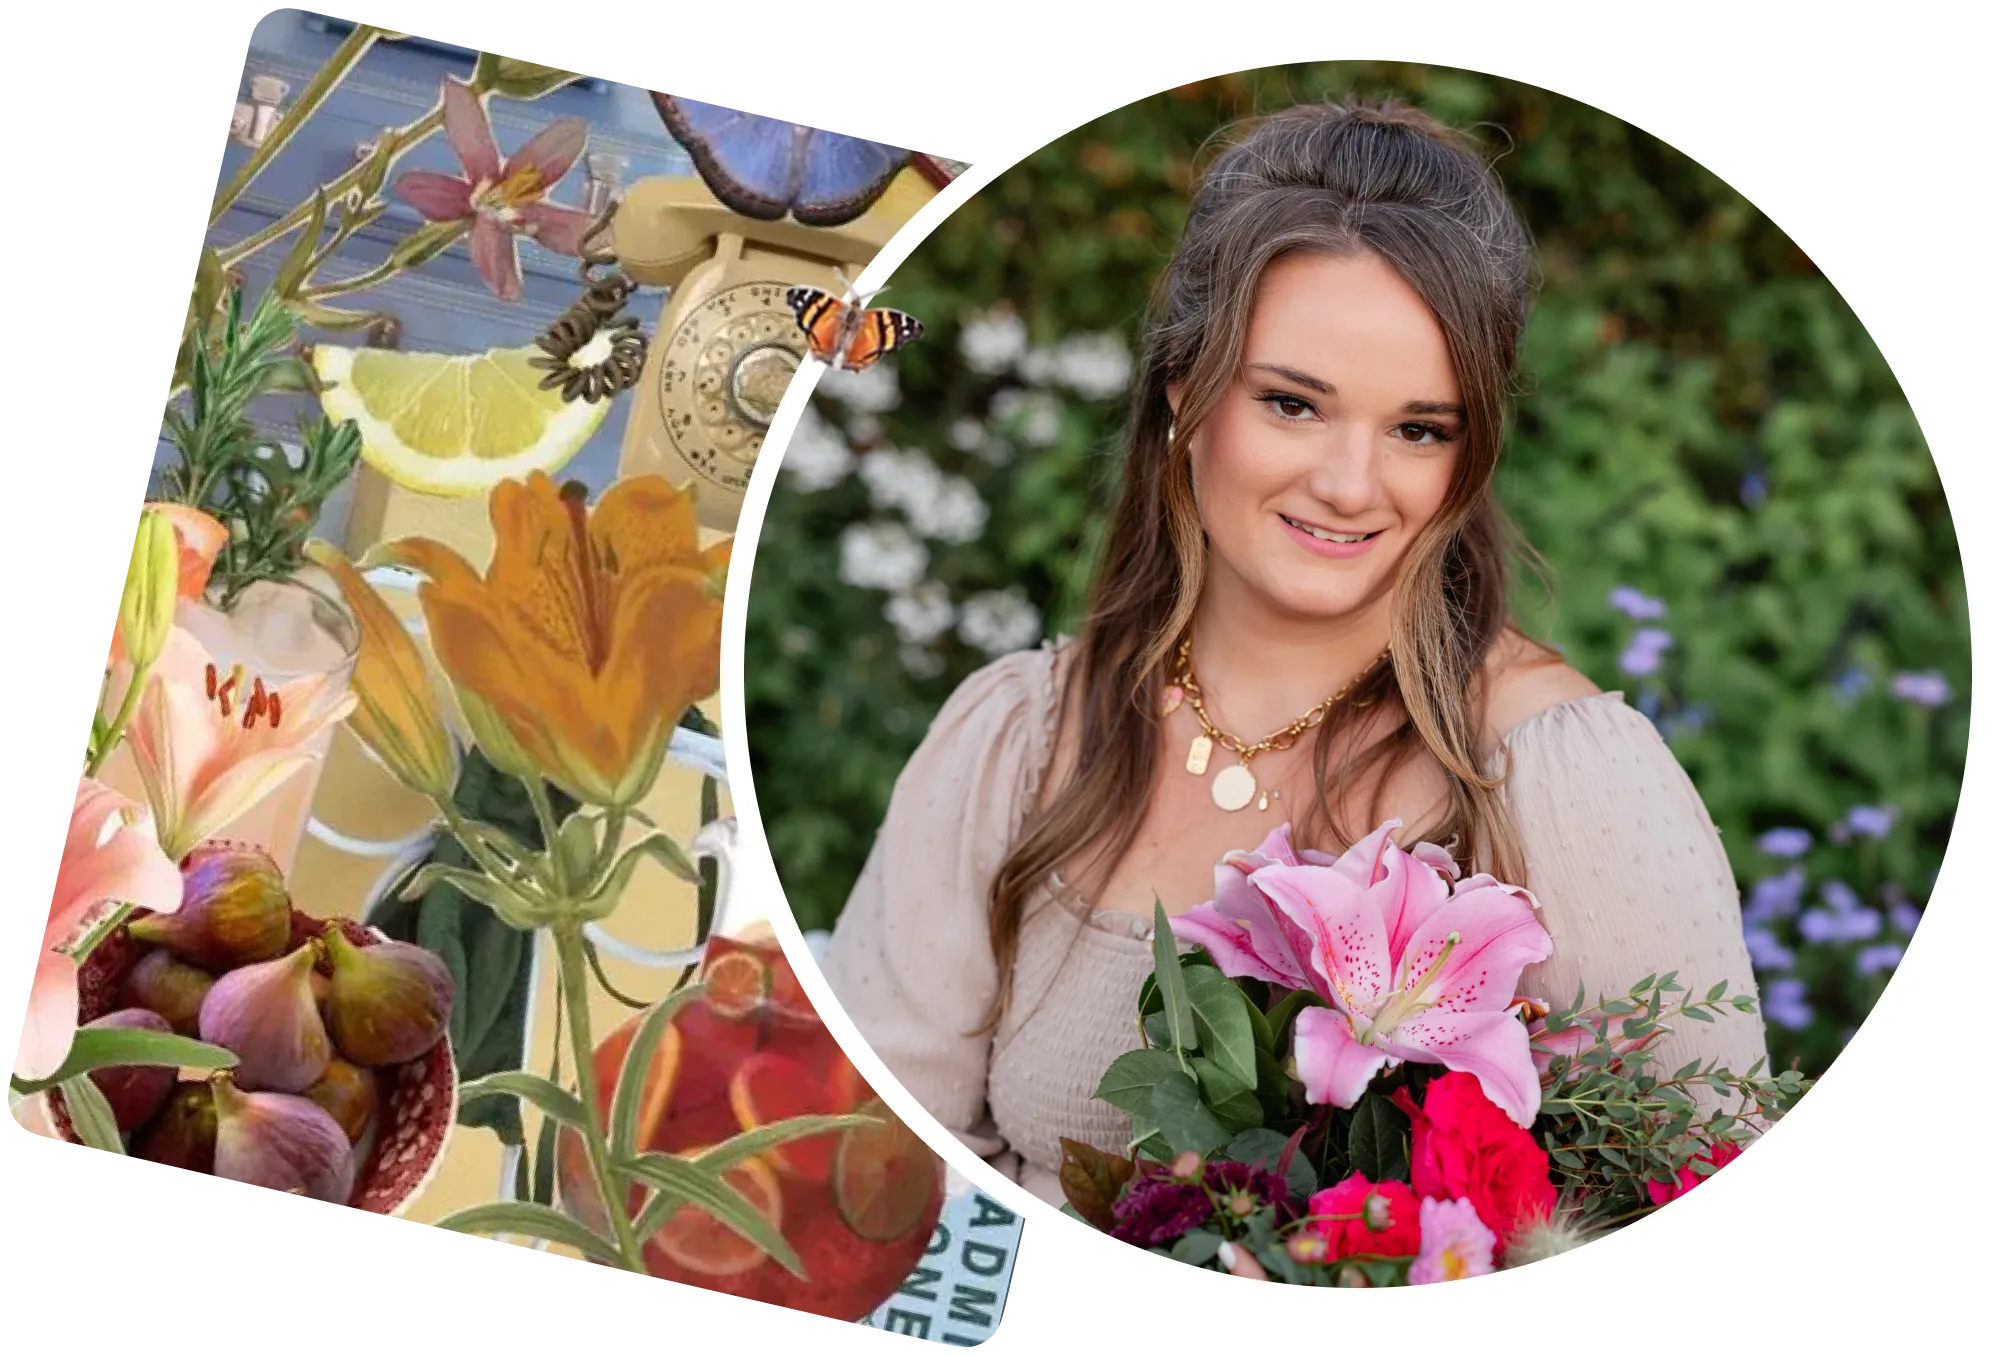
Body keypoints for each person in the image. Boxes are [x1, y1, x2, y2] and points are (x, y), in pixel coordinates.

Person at [822, 99, 1767, 1207]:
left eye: (1421, 427)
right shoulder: (1023, 741)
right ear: (1184, 392)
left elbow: (1697, 1178)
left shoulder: (1563, 779)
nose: (1351, 485)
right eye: (1292, 404)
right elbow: (871, 1175)